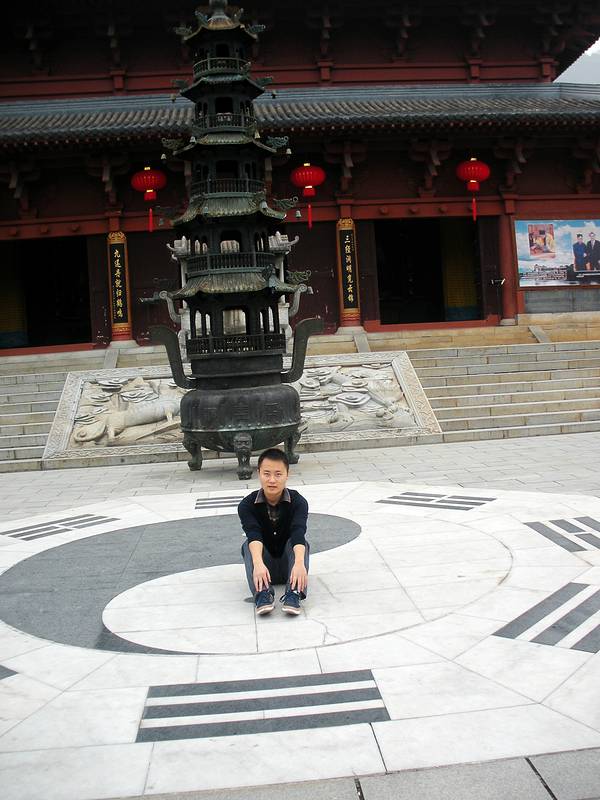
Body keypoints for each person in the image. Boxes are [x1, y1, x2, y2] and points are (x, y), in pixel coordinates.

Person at [238, 447, 309, 616]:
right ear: (259, 473)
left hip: (289, 565)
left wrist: (300, 563)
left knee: (301, 543)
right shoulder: (247, 505)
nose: (272, 480)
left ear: (287, 475)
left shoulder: (299, 502)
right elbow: (253, 533)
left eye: (278, 474)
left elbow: (298, 532)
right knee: (248, 544)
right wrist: (257, 564)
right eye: (266, 474)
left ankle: (294, 592)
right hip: (263, 567)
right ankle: (262, 593)